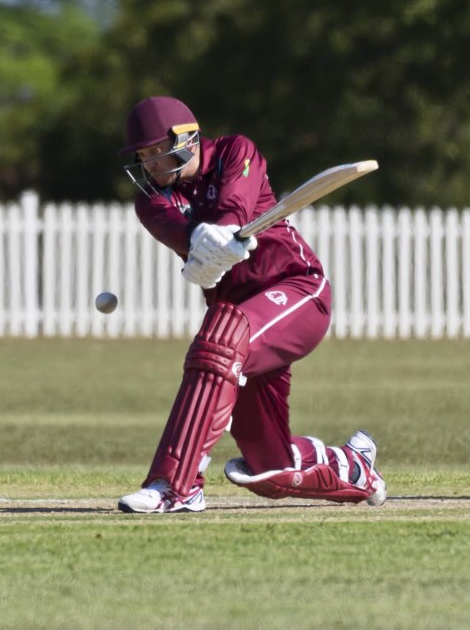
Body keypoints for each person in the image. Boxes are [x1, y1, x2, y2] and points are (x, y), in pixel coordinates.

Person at [115, 96, 386, 513]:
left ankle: (175, 486)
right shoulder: (150, 200)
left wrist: (223, 233)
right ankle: (353, 467)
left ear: (186, 140)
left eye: (157, 151)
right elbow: (183, 237)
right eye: (143, 155)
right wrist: (199, 249)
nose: (150, 163)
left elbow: (235, 206)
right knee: (267, 468)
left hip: (296, 290)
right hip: (241, 316)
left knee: (220, 338)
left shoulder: (233, 151)